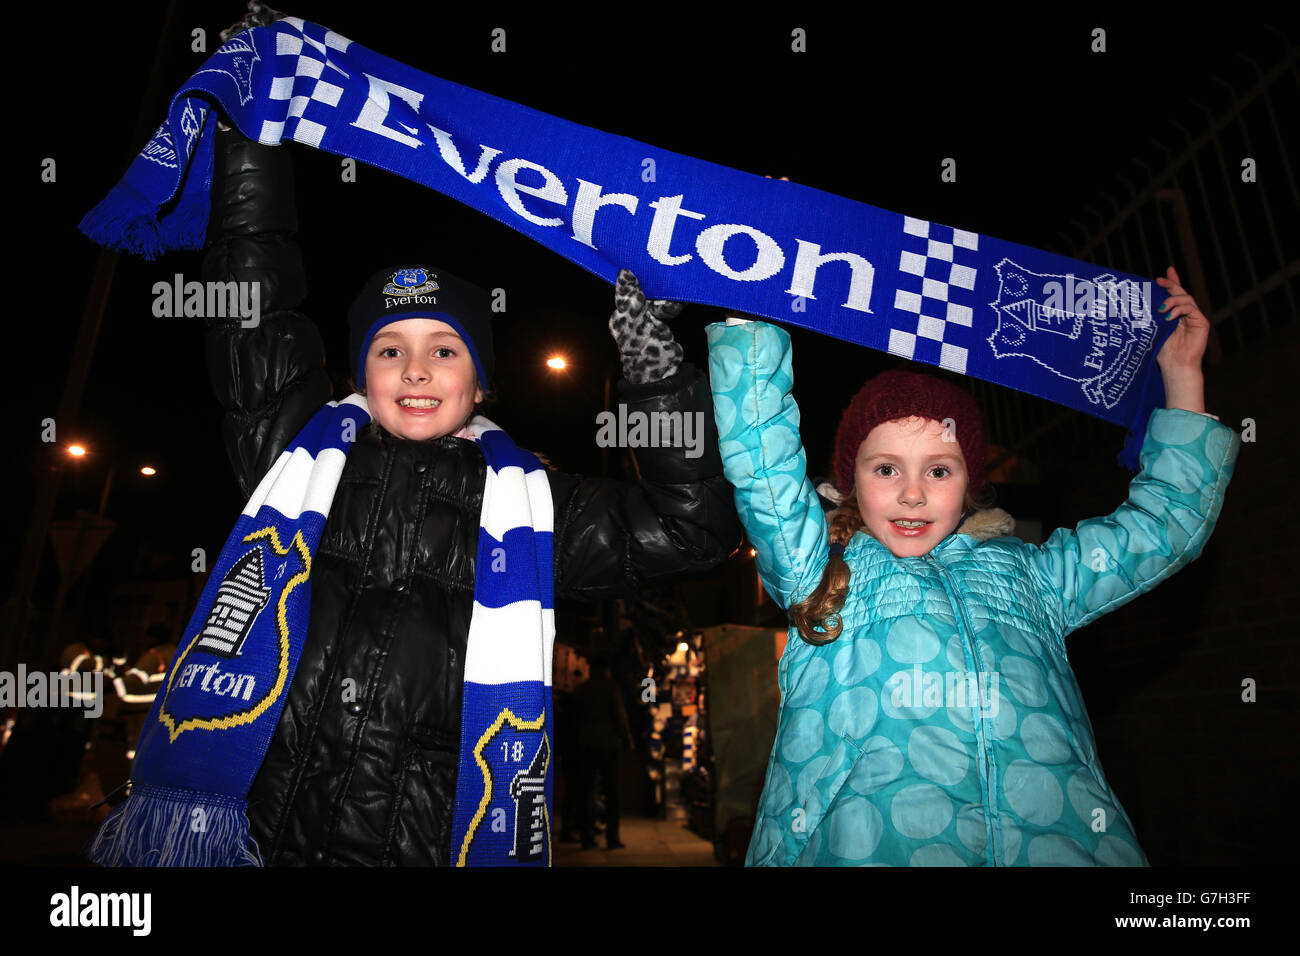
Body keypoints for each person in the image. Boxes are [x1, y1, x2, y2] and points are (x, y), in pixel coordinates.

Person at [99, 117, 740, 866]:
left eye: (444, 350)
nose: (415, 370)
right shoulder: (297, 456)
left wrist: (655, 372)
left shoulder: (537, 509)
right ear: (357, 374)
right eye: (388, 349)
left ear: (482, 383)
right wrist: (253, 134)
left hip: (422, 842)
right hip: (254, 833)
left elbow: (691, 527)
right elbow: (253, 314)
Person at [706, 269, 1239, 866]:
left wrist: (1182, 374)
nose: (912, 494)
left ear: (971, 484)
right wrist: (745, 316)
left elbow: (1163, 524)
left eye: (939, 470)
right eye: (885, 469)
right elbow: (764, 469)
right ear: (849, 481)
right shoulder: (821, 576)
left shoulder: (1036, 579)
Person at [570, 653, 636, 849]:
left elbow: (574, 720)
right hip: (608, 745)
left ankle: (587, 837)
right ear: (607, 670)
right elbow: (620, 717)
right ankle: (612, 837)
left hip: (585, 745)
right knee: (612, 792)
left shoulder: (581, 690)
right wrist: (628, 741)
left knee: (586, 792)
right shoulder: (611, 688)